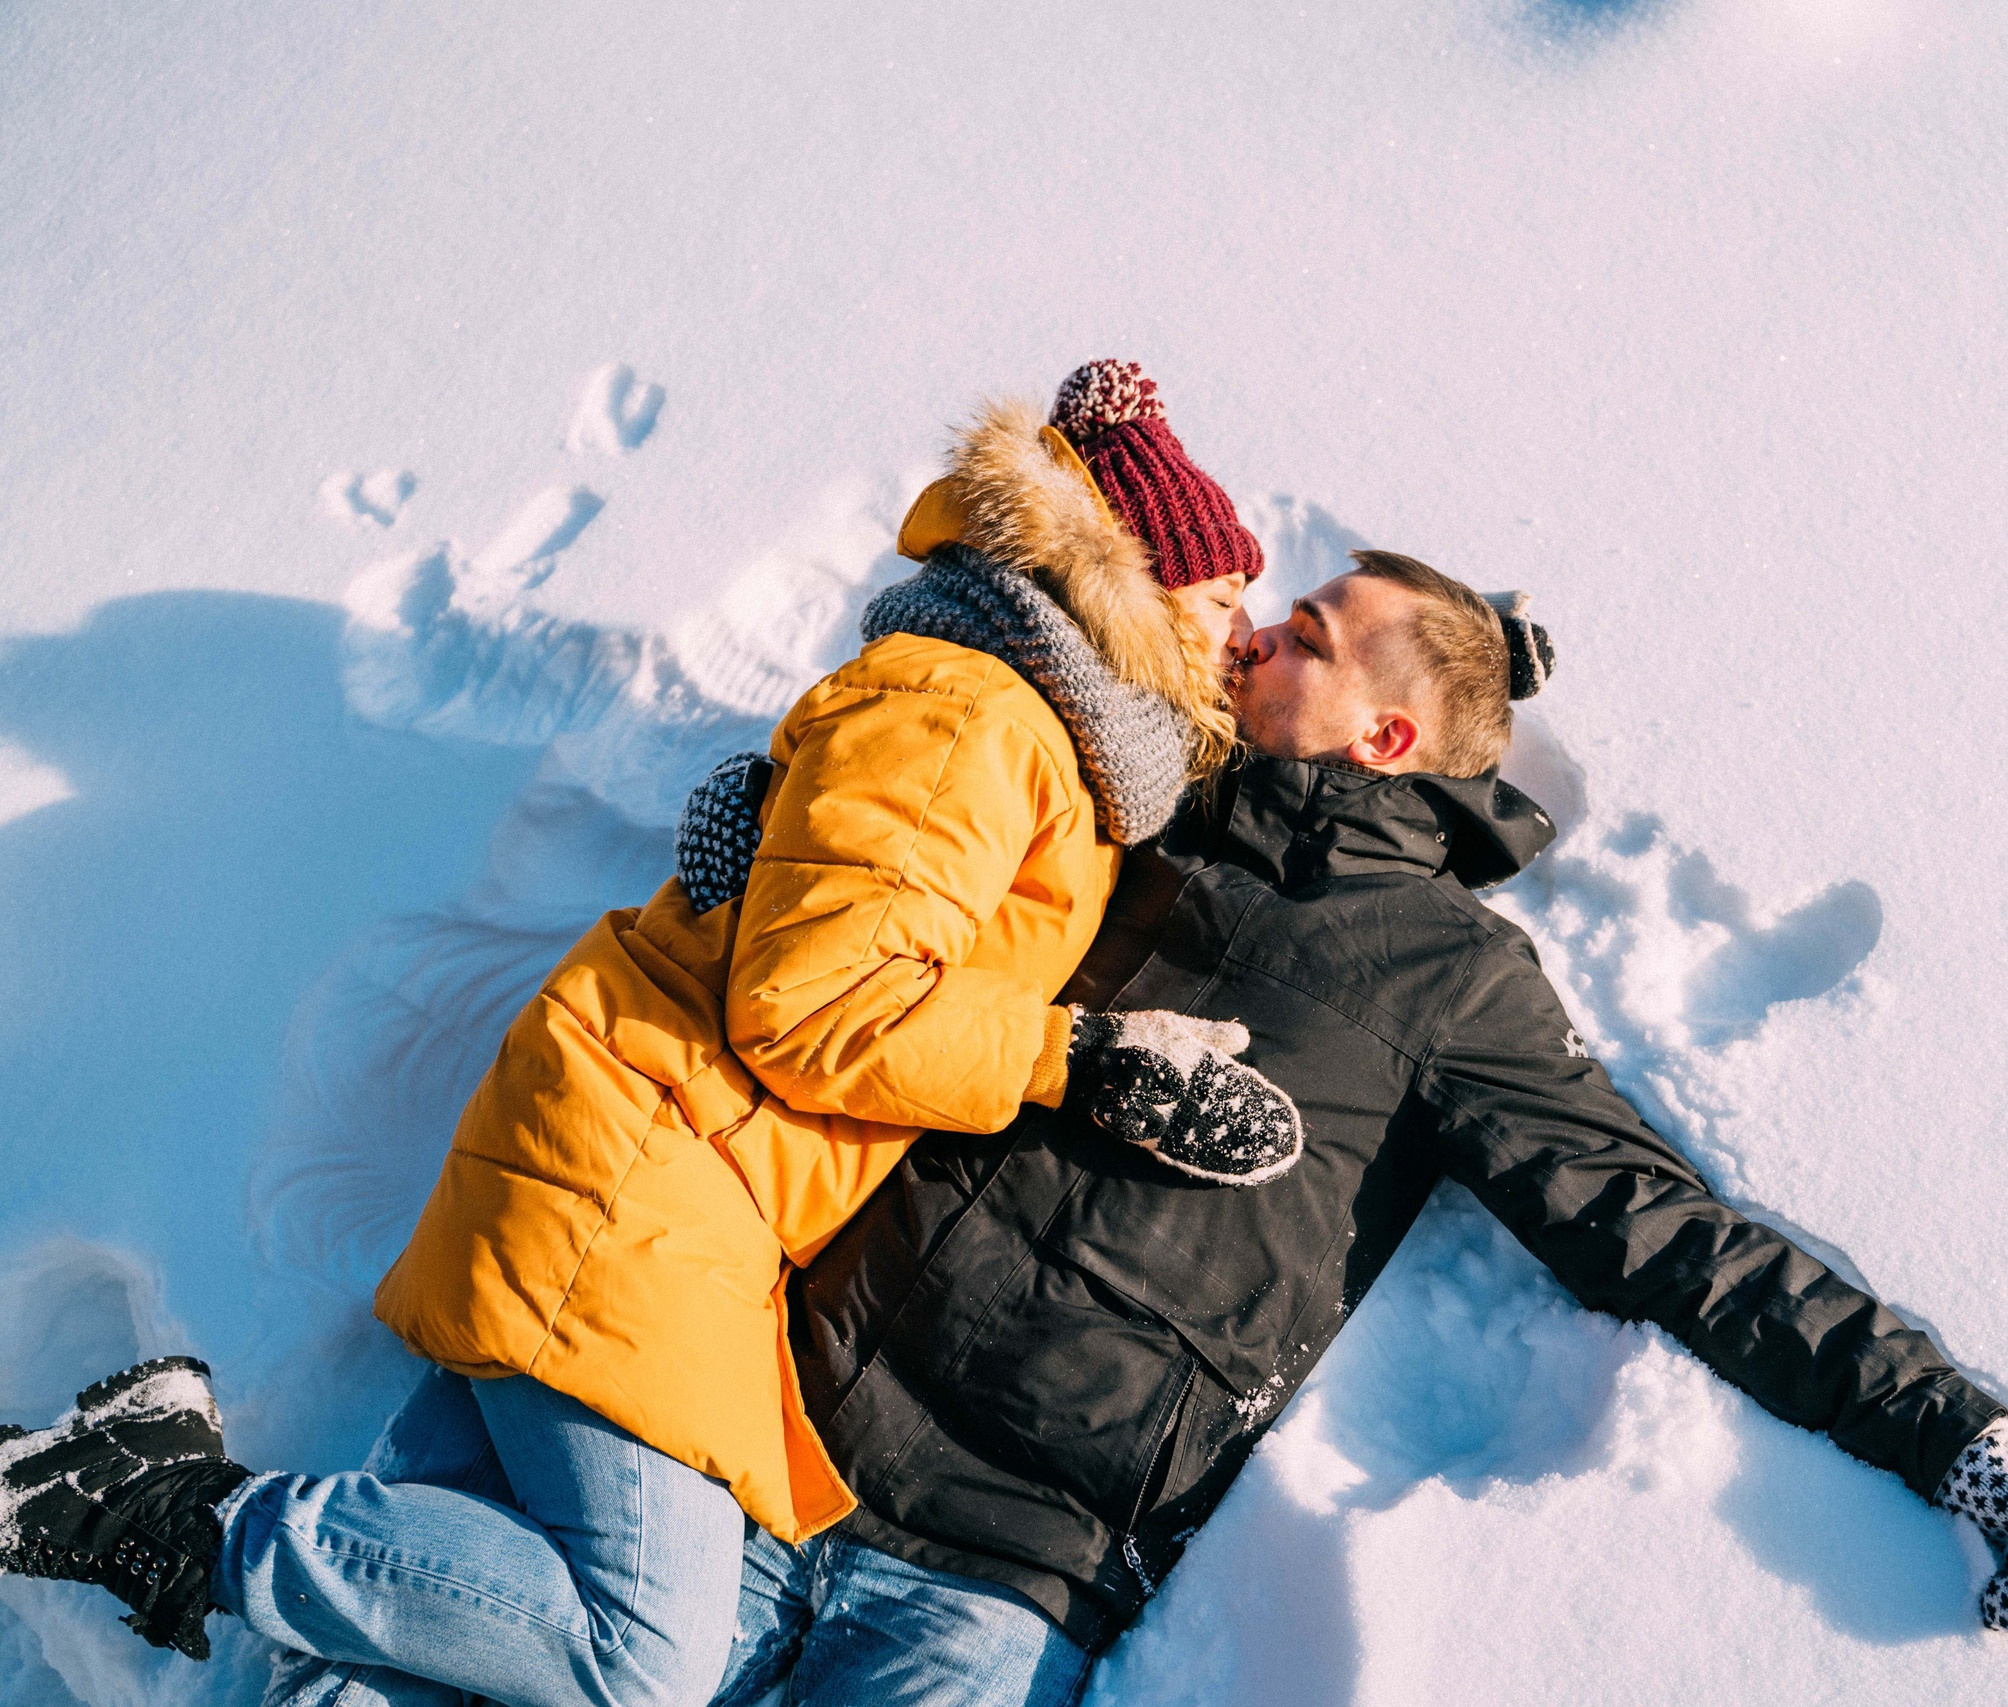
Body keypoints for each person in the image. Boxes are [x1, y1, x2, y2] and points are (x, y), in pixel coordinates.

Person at [0, 359, 1301, 1707]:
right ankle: (174, 1508)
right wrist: (1075, 1058)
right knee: (642, 1661)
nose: (1239, 632)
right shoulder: (975, 717)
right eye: (1216, 598)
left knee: (424, 1662)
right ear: (1124, 589)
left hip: (670, 1174)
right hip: (643, 1179)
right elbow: (814, 1000)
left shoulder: (1023, 727)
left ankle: (169, 1509)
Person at [694, 552, 2008, 1707]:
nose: (1253, 636)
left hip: (1001, 1576)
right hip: (756, 1444)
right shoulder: (1124, 809)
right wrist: (756, 831)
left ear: (1387, 738)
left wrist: (1955, 1442)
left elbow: (1667, 1236)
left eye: (1306, 636)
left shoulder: (1448, 978)